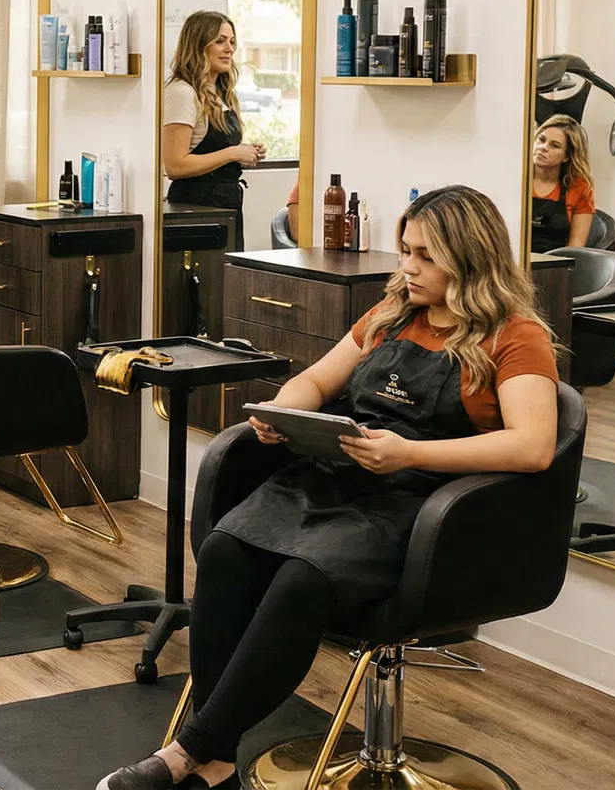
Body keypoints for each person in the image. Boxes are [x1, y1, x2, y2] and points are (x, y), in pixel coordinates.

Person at [97, 186, 559, 790]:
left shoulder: (515, 336)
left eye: (426, 256)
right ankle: (215, 759)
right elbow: (315, 381)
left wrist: (408, 453)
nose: (408, 267)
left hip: (425, 505)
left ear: (471, 258)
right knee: (224, 551)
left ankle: (190, 752)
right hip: (339, 480)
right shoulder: (393, 316)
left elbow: (532, 445)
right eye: (406, 250)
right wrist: (282, 412)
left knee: (302, 579)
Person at [162, 11, 267, 244]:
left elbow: (213, 151)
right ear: (198, 45)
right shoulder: (182, 93)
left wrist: (244, 153)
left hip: (225, 206)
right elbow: (175, 165)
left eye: (232, 42)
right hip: (195, 210)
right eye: (220, 41)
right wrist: (232, 153)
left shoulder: (221, 94)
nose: (229, 49)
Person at [528, 115, 597, 253]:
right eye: (541, 140)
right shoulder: (515, 178)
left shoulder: (579, 187)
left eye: (555, 145)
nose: (543, 148)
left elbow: (574, 249)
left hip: (556, 262)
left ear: (567, 156)